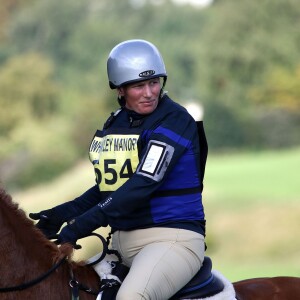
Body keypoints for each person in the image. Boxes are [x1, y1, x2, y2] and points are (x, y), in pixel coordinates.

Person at [30, 39, 208, 300]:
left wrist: (78, 226)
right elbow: (111, 188)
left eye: (154, 82)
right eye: (138, 86)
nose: (149, 93)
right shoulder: (116, 123)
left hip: (173, 240)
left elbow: (142, 184)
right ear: (120, 90)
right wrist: (61, 214)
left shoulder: (175, 120)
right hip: (121, 243)